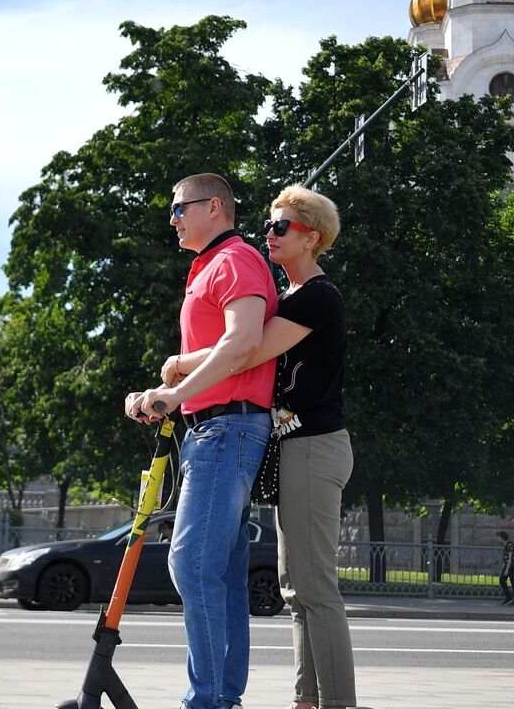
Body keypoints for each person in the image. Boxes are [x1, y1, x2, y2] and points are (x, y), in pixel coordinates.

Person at [156, 185, 356, 709]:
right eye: (268, 224)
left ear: (312, 238)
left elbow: (246, 353)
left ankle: (335, 704)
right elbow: (238, 347)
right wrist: (187, 365)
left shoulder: (317, 296)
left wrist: (178, 371)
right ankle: (305, 700)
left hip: (316, 444)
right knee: (294, 591)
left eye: (280, 227)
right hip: (291, 447)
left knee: (315, 590)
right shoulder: (288, 298)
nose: (268, 233)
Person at [126, 173, 275, 709]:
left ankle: (208, 700)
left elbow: (241, 343)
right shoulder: (209, 267)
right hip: (211, 430)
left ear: (214, 207)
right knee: (223, 574)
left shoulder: (235, 260)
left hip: (226, 428)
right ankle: (221, 697)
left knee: (189, 563)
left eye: (179, 208)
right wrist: (164, 390)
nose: (172, 219)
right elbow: (220, 352)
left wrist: (176, 393)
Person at [495, 530, 514, 604]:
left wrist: (507, 569)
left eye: (499, 536)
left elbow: (510, 558)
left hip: (510, 566)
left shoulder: (509, 545)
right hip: (507, 565)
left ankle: (511, 597)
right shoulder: (505, 545)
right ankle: (509, 597)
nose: (498, 538)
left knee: (510, 581)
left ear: (502, 537)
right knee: (503, 580)